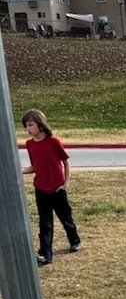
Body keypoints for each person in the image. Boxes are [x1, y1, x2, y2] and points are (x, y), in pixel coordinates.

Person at [21, 108, 81, 266]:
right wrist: (19, 171)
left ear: (40, 125)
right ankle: (45, 254)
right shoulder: (29, 144)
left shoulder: (54, 142)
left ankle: (75, 241)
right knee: (44, 222)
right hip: (41, 189)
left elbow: (66, 162)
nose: (28, 129)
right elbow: (34, 166)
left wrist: (65, 184)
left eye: (30, 125)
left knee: (65, 218)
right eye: (26, 126)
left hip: (57, 188)